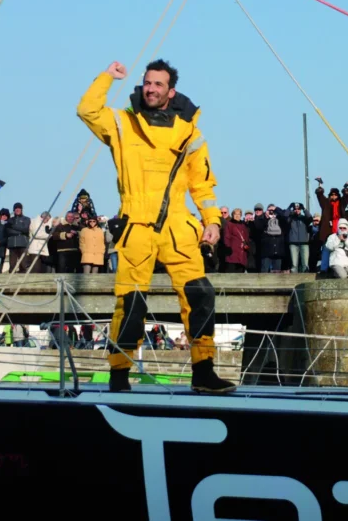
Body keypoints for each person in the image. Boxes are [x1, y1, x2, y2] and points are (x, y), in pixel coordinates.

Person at [77, 59, 234, 394]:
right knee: (131, 303)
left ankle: (203, 373)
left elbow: (202, 185)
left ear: (170, 91)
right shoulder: (122, 123)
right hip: (135, 225)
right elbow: (87, 110)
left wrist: (212, 221)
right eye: (147, 83)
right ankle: (119, 376)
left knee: (200, 294)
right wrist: (107, 77)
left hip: (178, 226)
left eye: (158, 84)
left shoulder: (189, 131)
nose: (151, 88)